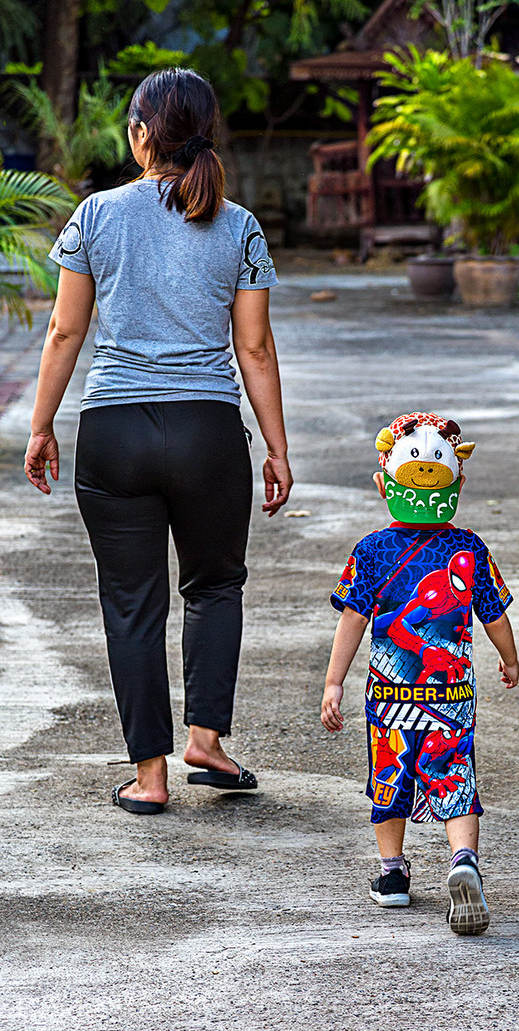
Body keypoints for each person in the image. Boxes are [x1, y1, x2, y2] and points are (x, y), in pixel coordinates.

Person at [24, 68, 293, 815]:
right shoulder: (238, 225)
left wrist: (43, 425)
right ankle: (205, 740)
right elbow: (257, 349)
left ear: (140, 133)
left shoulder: (95, 216)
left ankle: (149, 777)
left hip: (114, 432)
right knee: (214, 586)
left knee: (131, 603)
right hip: (207, 431)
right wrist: (275, 446)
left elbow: (65, 331)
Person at [321, 411, 519, 935]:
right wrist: (510, 658)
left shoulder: (371, 549)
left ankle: (392, 875)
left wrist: (333, 680)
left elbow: (352, 620)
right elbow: (495, 614)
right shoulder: (469, 548)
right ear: (458, 482)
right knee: (456, 777)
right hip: (450, 692)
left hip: (389, 692)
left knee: (389, 778)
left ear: (384, 483)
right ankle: (463, 862)